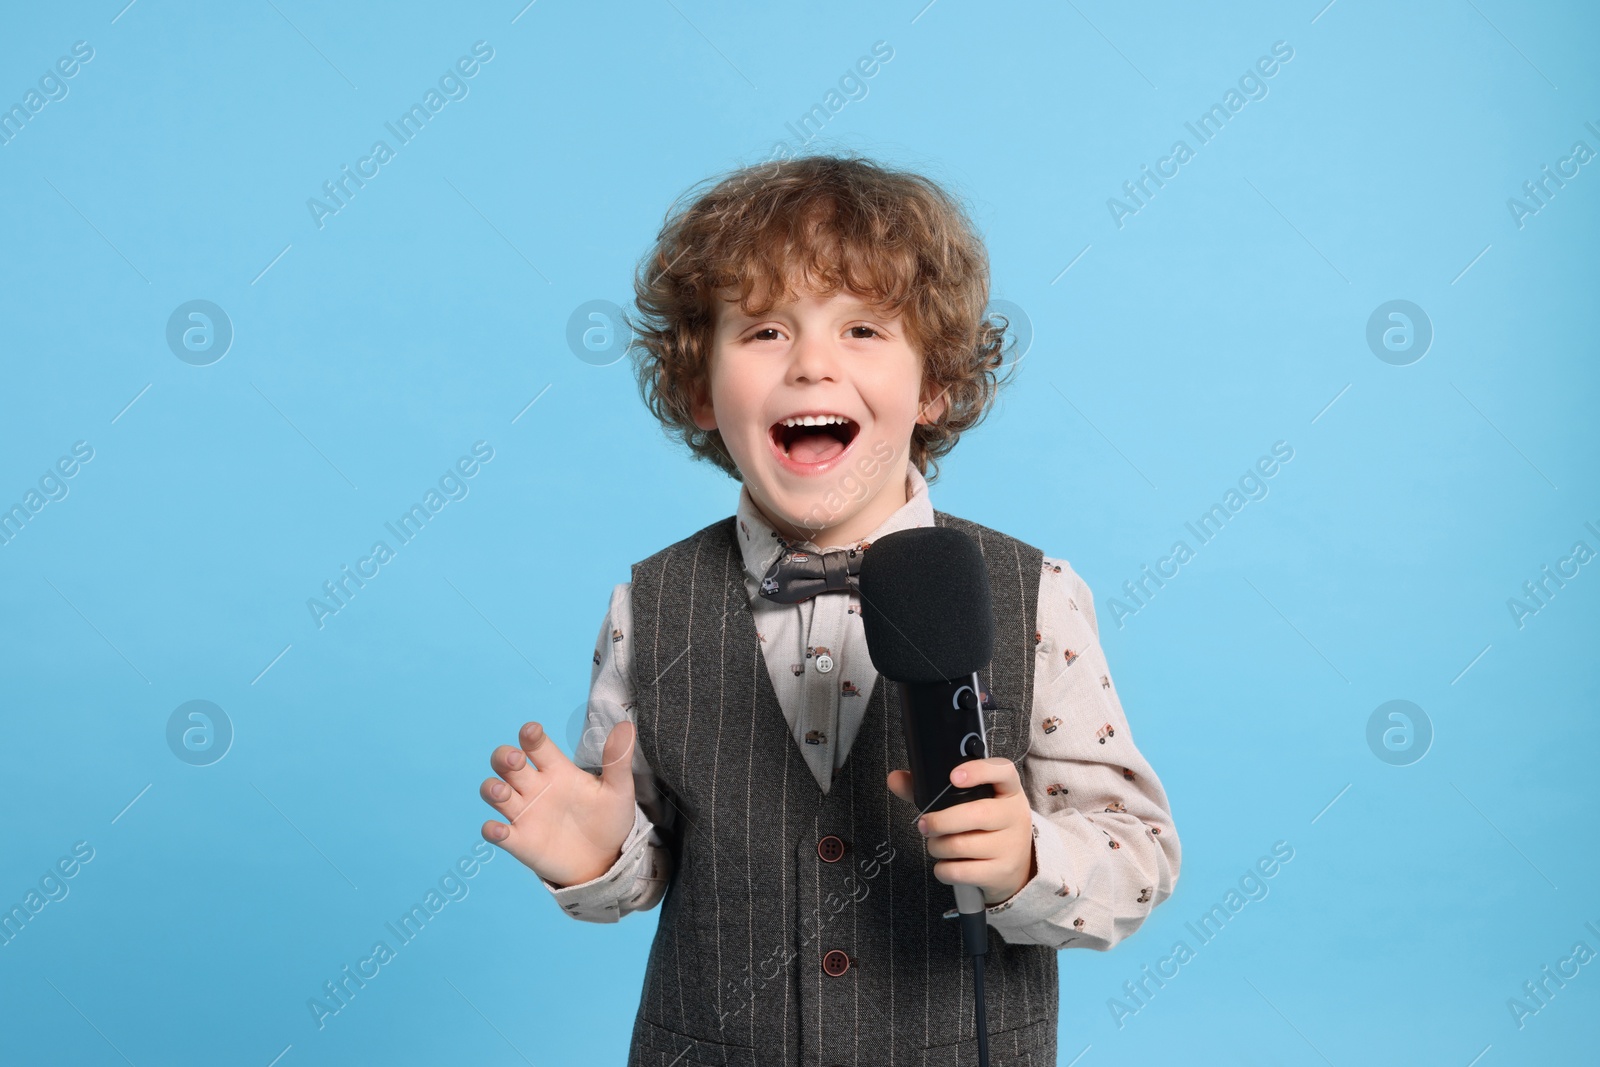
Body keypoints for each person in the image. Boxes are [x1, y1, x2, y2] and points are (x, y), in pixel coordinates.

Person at [478, 154, 1181, 1065]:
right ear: (699, 389)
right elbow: (637, 869)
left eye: (862, 329)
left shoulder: (1035, 593)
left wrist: (1029, 859)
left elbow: (1138, 853)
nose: (812, 364)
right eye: (765, 331)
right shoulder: (646, 605)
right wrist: (599, 855)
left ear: (935, 386)